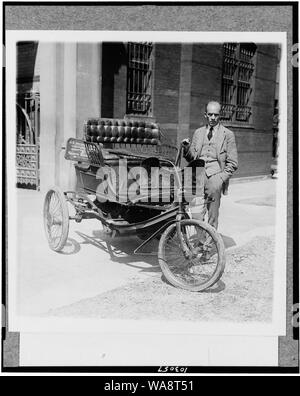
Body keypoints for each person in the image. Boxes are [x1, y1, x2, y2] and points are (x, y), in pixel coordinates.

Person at [182, 101, 238, 230]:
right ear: (205, 115)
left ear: (220, 115)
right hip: (197, 176)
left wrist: (219, 179)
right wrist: (186, 149)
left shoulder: (228, 135)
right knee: (196, 214)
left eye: (216, 115)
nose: (213, 118)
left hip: (215, 176)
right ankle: (200, 243)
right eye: (210, 114)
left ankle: (208, 245)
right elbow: (192, 158)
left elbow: (233, 163)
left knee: (212, 215)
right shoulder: (198, 133)